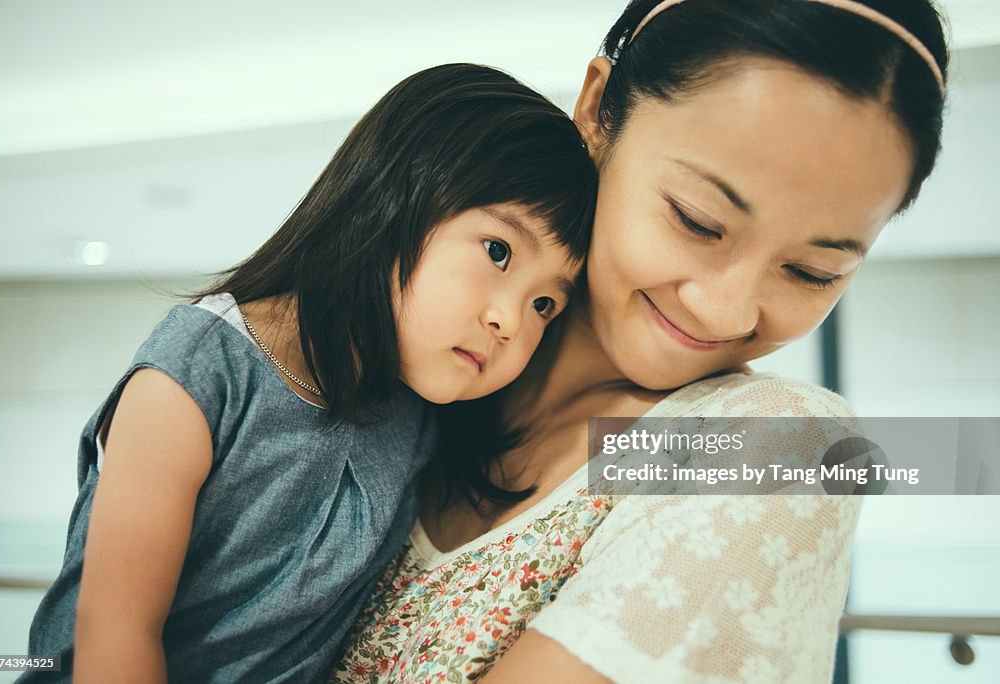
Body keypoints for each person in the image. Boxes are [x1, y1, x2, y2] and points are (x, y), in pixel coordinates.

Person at [333, 0, 948, 681]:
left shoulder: (778, 450)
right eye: (697, 220)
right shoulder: (410, 371)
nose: (722, 313)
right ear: (598, 110)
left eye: (812, 272)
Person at [21, 63, 597, 683]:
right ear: (395, 194)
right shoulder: (197, 375)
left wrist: (717, 447)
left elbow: (603, 457)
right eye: (498, 251)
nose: (511, 320)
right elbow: (116, 639)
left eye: (546, 304)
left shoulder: (426, 408)